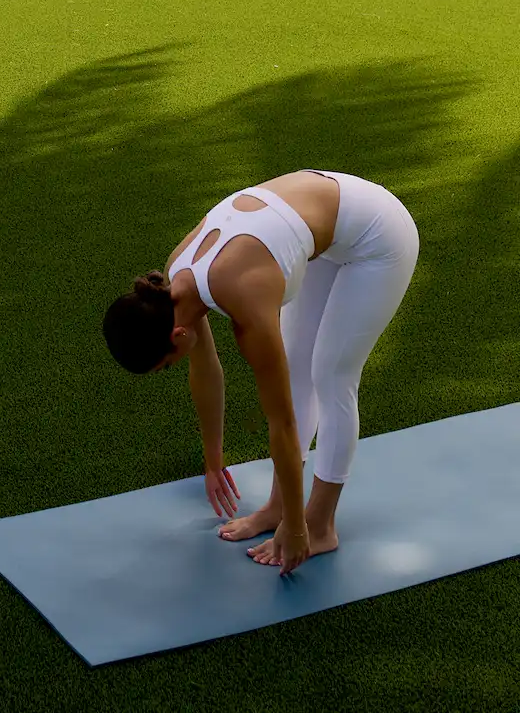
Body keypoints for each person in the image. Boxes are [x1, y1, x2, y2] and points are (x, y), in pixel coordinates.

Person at [101, 170, 419, 575]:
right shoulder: (176, 284)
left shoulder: (244, 298)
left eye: (165, 366)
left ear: (177, 335)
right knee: (299, 363)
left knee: (331, 374)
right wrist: (213, 461)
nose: (173, 367)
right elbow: (206, 372)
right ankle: (277, 508)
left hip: (380, 234)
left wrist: (298, 532)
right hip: (327, 235)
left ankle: (319, 525)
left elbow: (281, 421)